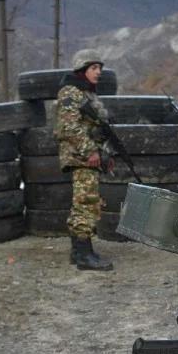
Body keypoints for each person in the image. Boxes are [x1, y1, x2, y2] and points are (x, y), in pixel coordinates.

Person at [55, 48, 115, 271]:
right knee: (86, 204)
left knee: (84, 202)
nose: (98, 72)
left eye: (99, 68)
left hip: (89, 156)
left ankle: (78, 251)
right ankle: (84, 255)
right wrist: (91, 151)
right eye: (93, 68)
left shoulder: (87, 93)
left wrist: (103, 152)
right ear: (82, 69)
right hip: (81, 157)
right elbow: (70, 127)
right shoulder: (71, 92)